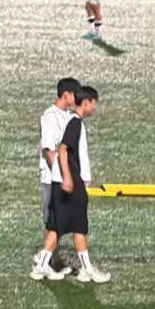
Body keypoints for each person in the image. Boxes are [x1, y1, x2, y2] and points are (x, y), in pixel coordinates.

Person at [54, 86, 111, 283]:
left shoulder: (74, 121)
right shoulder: (75, 123)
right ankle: (86, 269)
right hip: (74, 179)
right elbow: (62, 149)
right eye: (94, 103)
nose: (94, 108)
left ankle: (81, 267)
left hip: (75, 178)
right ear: (86, 103)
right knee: (79, 225)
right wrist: (68, 177)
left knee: (74, 225)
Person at [31, 77, 82, 280]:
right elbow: (49, 150)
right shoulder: (49, 116)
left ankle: (52, 260)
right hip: (53, 178)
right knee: (52, 221)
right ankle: (46, 262)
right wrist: (61, 176)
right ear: (65, 95)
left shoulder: (69, 116)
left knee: (60, 221)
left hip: (65, 177)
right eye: (74, 94)